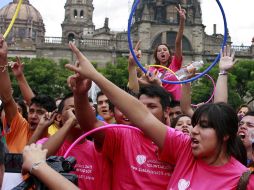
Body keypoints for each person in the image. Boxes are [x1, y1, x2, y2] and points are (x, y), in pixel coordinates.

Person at [65, 42, 252, 189]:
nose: (193, 131)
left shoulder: (243, 179)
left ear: (226, 134)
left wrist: (223, 73)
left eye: (203, 126)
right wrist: (94, 79)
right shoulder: (184, 149)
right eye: (195, 125)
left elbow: (221, 111)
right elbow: (141, 115)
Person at [73, 72, 174, 188]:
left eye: (152, 106)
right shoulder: (123, 135)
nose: (144, 112)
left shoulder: (178, 142)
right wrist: (80, 94)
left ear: (166, 111)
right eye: (141, 107)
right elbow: (91, 125)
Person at [0, 35, 56, 153]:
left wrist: (20, 77)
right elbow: (7, 99)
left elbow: (25, 159)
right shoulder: (20, 127)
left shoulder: (53, 142)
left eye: (40, 112)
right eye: (31, 111)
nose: (33, 116)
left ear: (52, 117)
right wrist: (3, 58)